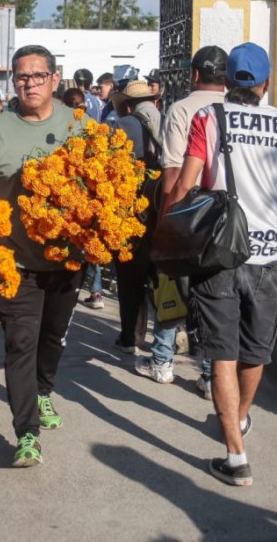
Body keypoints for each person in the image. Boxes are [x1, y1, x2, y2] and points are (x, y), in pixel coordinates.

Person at [166, 42, 277, 486]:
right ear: (266, 82)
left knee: (222, 353)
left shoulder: (208, 118)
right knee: (255, 351)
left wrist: (168, 237)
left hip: (219, 253)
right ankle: (238, 420)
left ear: (227, 80)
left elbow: (185, 185)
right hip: (267, 257)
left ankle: (236, 459)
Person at [0, 45, 85, 468]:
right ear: (12, 82)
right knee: (20, 343)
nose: (29, 83)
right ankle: (27, 434)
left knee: (52, 338)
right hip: (14, 260)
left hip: (68, 259)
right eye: (22, 77)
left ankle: (43, 391)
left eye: (38, 76)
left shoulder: (81, 127)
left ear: (55, 79)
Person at [150, 45, 229, 395]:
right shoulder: (236, 110)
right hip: (224, 214)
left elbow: (171, 172)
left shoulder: (181, 110)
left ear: (194, 74)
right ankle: (211, 375)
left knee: (172, 283)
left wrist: (165, 222)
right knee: (213, 296)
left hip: (187, 208)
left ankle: (163, 361)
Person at [109, 80, 162, 355]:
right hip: (163, 212)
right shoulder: (167, 123)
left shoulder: (123, 127)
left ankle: (131, 336)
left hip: (130, 215)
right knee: (164, 277)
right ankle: (168, 341)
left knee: (130, 278)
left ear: (128, 105)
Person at [60, 88, 104, 310]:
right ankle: (95, 292)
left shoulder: (63, 127)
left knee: (74, 242)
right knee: (88, 242)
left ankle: (69, 287)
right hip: (87, 195)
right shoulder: (93, 128)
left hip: (72, 195)